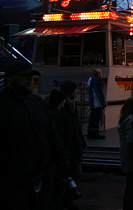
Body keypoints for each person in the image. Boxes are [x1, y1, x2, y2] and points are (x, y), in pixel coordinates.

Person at [0, 61, 68, 210]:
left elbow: (51, 134)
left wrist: (63, 161)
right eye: (24, 76)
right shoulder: (5, 106)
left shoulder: (36, 103)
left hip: (35, 175)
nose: (29, 80)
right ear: (10, 78)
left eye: (31, 76)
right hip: (12, 179)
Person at [59, 80, 86, 210]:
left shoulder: (71, 105)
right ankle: (65, 200)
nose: (77, 91)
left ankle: (67, 199)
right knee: (72, 174)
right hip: (69, 149)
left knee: (74, 174)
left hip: (73, 148)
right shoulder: (65, 108)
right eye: (75, 89)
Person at [118, 98, 133, 210]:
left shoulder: (123, 119)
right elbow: (131, 139)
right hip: (129, 156)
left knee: (130, 184)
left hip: (125, 154)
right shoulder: (130, 120)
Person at [87, 68, 106, 139]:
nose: (101, 74)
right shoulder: (98, 81)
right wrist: (103, 102)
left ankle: (90, 132)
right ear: (98, 74)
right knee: (96, 119)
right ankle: (95, 133)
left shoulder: (91, 81)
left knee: (92, 118)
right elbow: (99, 93)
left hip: (93, 102)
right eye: (101, 73)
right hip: (97, 103)